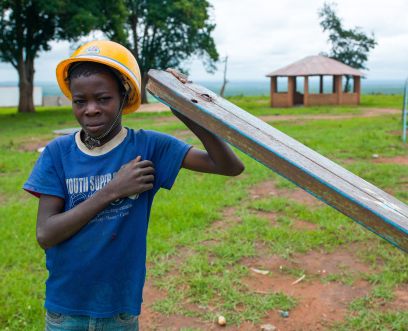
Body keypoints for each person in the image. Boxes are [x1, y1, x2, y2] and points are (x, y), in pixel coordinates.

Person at [23, 40, 244, 331]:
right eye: (80, 101)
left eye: (103, 98)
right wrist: (112, 190)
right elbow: (46, 234)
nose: (90, 109)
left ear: (124, 95)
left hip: (120, 311)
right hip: (66, 310)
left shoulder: (148, 146)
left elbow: (229, 167)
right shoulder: (57, 153)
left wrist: (189, 112)